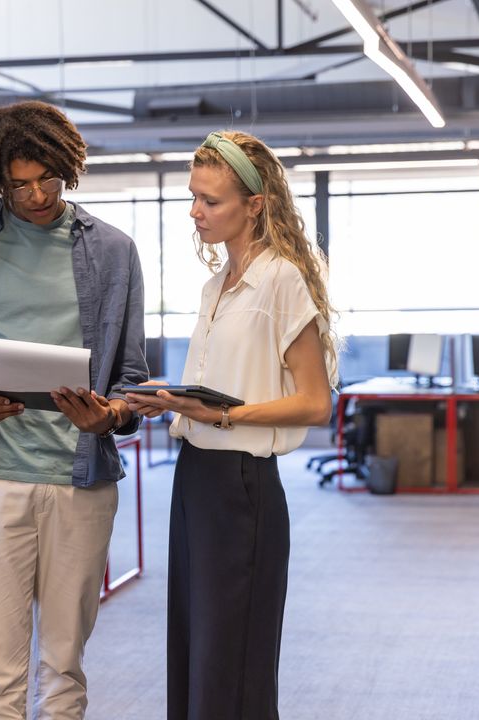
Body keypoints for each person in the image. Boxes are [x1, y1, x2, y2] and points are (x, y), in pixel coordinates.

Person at [0, 100, 147, 720]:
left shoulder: (115, 252)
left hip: (80, 485)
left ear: (68, 165)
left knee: (64, 669)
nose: (37, 194)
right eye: (18, 184)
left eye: (47, 177)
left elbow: (132, 380)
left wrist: (112, 415)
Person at [125, 130, 338, 720]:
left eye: (210, 200)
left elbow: (316, 404)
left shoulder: (281, 281)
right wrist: (170, 400)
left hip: (243, 486)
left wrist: (220, 413)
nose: (196, 212)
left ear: (255, 204)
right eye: (193, 197)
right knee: (196, 650)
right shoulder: (215, 285)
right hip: (195, 481)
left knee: (232, 661)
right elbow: (221, 384)